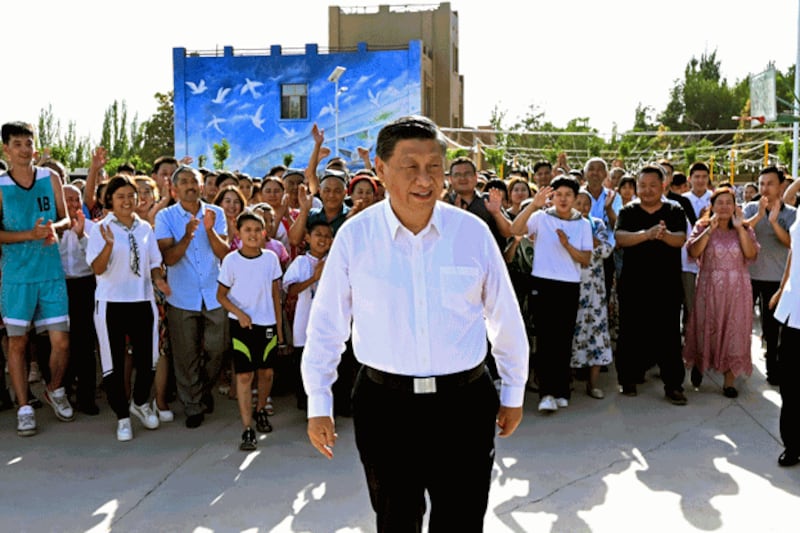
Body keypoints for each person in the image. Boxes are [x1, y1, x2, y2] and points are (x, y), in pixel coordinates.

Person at [301, 115, 528, 532]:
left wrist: (513, 390)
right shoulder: (356, 237)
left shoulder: (472, 233)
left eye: (434, 167)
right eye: (411, 166)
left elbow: (505, 317)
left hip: (463, 405)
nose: (425, 179)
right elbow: (327, 326)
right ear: (382, 171)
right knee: (395, 521)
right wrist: (319, 402)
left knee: (461, 521)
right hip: (386, 407)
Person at [0, 121, 74, 437]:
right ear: (6, 148)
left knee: (61, 340)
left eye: (28, 143)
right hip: (17, 277)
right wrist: (27, 235)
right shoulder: (0, 186)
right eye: (17, 144)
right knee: (17, 343)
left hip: (50, 273)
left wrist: (55, 229)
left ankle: (54, 388)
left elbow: (67, 216)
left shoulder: (50, 177)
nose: (25, 149)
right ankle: (24, 407)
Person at [87, 175, 170, 441]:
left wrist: (158, 279)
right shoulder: (101, 228)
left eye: (131, 195)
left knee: (149, 360)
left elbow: (154, 262)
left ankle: (140, 402)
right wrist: (109, 246)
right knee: (113, 362)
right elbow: (97, 269)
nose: (126, 201)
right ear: (110, 199)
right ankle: (122, 416)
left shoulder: (145, 228)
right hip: (111, 303)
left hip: (142, 301)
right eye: (120, 196)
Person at [155, 166, 229, 428]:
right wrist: (187, 235)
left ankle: (202, 390)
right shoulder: (165, 217)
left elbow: (225, 253)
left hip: (213, 292)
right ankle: (193, 404)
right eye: (183, 182)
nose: (189, 186)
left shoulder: (216, 213)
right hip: (182, 295)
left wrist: (209, 230)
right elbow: (168, 259)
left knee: (217, 349)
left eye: (193, 181)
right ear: (174, 189)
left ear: (202, 186)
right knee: (185, 355)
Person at [510, 176, 592, 412]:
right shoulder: (540, 217)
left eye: (568, 194)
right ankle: (546, 393)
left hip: (569, 284)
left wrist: (567, 245)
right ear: (552, 196)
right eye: (558, 194)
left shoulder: (583, 224)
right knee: (545, 339)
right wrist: (533, 205)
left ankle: (561, 390)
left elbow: (585, 259)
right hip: (543, 283)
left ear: (576, 198)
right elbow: (515, 229)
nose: (563, 199)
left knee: (564, 339)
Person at [615, 165, 688, 404]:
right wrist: (647, 234)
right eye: (642, 186)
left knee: (668, 334)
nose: (647, 191)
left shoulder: (674, 209)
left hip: (666, 284)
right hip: (634, 284)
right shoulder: (628, 211)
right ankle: (628, 378)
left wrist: (663, 235)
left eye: (652, 186)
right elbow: (621, 238)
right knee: (630, 332)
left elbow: (680, 240)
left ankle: (674, 384)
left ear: (663, 186)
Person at [217, 212, 284, 450]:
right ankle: (247, 428)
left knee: (266, 373)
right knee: (245, 375)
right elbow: (221, 296)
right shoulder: (231, 261)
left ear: (265, 232)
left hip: (267, 325)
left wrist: (280, 329)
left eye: (258, 229)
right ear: (239, 233)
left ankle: (260, 409)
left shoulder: (271, 259)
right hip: (242, 326)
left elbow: (276, 295)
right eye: (248, 230)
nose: (253, 234)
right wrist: (241, 313)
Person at [683, 188, 758, 398]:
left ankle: (730, 380)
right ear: (712, 206)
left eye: (729, 202)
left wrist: (740, 229)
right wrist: (709, 230)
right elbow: (693, 252)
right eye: (720, 202)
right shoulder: (702, 226)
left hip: (738, 287)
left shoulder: (744, 228)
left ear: (735, 206)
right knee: (706, 326)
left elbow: (751, 254)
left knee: (735, 329)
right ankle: (700, 363)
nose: (724, 206)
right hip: (709, 286)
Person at [744, 166, 797, 386]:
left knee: (772, 329)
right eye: (762, 183)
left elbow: (792, 244)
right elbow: (742, 231)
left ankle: (773, 370)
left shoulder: (791, 214)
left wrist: (774, 221)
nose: (765, 188)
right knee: (742, 324)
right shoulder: (749, 208)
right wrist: (760, 215)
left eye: (770, 183)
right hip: (749, 275)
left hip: (776, 278)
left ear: (782, 185)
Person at [58, 184, 100, 415]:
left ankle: (86, 396)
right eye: (68, 200)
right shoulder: (51, 229)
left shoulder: (92, 227)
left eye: (76, 200)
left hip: (86, 285)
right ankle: (60, 390)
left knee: (85, 343)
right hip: (59, 286)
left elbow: (95, 260)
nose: (73, 205)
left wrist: (81, 235)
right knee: (60, 342)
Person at [283, 220, 333, 410]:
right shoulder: (302, 262)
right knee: (304, 363)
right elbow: (291, 290)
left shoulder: (334, 261)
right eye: (318, 235)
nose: (323, 239)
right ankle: (306, 404)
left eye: (327, 236)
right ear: (307, 238)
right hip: (304, 321)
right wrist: (314, 278)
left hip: (328, 322)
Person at [571, 190, 613, 399]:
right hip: (571, 285)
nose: (582, 207)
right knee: (571, 333)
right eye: (578, 202)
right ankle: (567, 381)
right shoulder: (565, 223)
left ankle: (593, 382)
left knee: (596, 332)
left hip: (595, 289)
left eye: (586, 203)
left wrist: (591, 242)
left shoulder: (597, 224)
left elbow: (606, 249)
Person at [770, 214, 800, 466]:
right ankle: (792, 444)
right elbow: (794, 249)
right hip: (793, 310)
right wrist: (782, 287)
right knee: (789, 384)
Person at [444, 157, 512, 252]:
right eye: (457, 175)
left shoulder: (489, 200)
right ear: (450, 179)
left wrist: (496, 213)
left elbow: (508, 232)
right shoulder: (444, 203)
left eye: (467, 174)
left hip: (486, 261)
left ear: (476, 177)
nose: (462, 178)